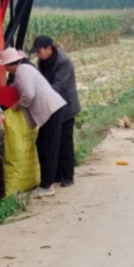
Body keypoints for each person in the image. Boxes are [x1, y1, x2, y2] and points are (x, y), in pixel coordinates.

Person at [0, 46, 67, 197]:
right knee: (42, 144)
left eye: (5, 66)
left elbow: (28, 94)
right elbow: (17, 88)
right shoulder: (23, 70)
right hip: (51, 110)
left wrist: (18, 105)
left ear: (10, 64)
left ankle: (47, 186)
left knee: (47, 147)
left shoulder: (23, 71)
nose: (6, 70)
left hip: (51, 110)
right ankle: (50, 180)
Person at [33, 35, 81, 187]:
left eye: (39, 51)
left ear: (49, 48)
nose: (37, 55)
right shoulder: (43, 61)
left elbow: (58, 86)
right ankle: (57, 175)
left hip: (66, 107)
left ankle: (68, 176)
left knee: (65, 143)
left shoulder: (63, 62)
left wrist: (40, 98)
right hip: (52, 107)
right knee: (52, 142)